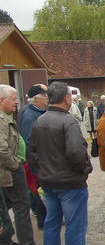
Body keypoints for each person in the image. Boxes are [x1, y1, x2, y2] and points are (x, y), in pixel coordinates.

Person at [30, 81, 97, 245]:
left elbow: (32, 153)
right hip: (69, 183)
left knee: (51, 224)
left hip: (49, 181)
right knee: (75, 227)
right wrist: (85, 170)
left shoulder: (40, 121)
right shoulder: (67, 122)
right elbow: (77, 152)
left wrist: (42, 171)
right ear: (67, 98)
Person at [0, 85, 45, 245]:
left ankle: (6, 241)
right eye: (13, 98)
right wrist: (14, 164)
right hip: (11, 169)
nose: (16, 102)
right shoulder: (2, 120)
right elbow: (2, 147)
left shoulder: (7, 117)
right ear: (1, 100)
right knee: (21, 206)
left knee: (8, 205)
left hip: (12, 168)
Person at [17, 85, 49, 230]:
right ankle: (43, 218)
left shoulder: (38, 112)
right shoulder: (30, 115)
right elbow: (30, 141)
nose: (47, 98)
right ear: (36, 99)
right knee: (39, 189)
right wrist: (36, 163)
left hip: (40, 160)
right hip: (36, 162)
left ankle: (44, 215)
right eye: (45, 96)